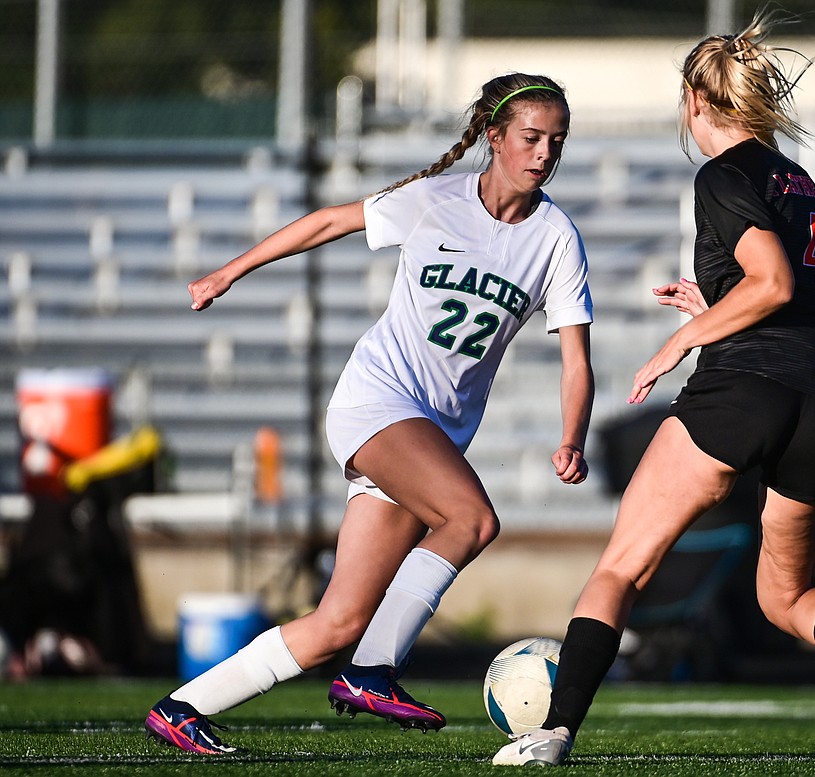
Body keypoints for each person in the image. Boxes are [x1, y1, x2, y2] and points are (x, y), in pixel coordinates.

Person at [493, 15, 815, 767]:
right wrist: (716, 306)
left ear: (695, 99)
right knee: (785, 596)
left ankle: (551, 734)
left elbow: (773, 282)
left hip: (744, 389)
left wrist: (684, 337)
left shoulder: (721, 174)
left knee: (621, 566)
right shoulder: (803, 185)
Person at [144, 72, 595, 755]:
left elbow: (576, 358)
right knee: (472, 519)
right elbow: (329, 221)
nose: (543, 154)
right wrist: (228, 272)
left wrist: (571, 436)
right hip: (377, 401)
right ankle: (373, 669)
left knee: (337, 618)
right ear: (495, 137)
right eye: (531, 138)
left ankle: (182, 708)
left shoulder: (556, 237)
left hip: (433, 435)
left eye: (556, 143)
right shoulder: (436, 198)